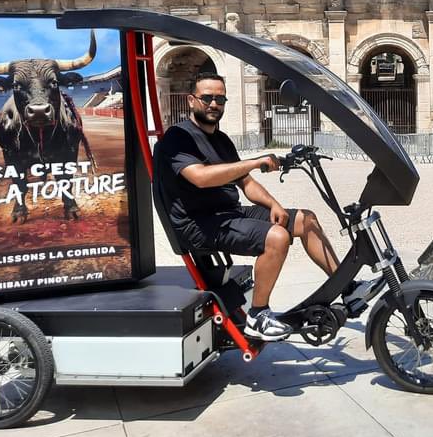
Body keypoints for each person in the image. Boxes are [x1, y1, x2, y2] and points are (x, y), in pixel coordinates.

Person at [155, 72, 383, 341]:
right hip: (197, 222)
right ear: (191, 100)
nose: (214, 104)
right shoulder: (178, 138)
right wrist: (254, 161)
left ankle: (347, 287)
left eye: (220, 99)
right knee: (277, 237)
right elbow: (201, 178)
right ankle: (258, 316)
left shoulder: (222, 140)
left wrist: (274, 204)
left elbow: (247, 184)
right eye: (207, 98)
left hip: (228, 213)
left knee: (305, 220)